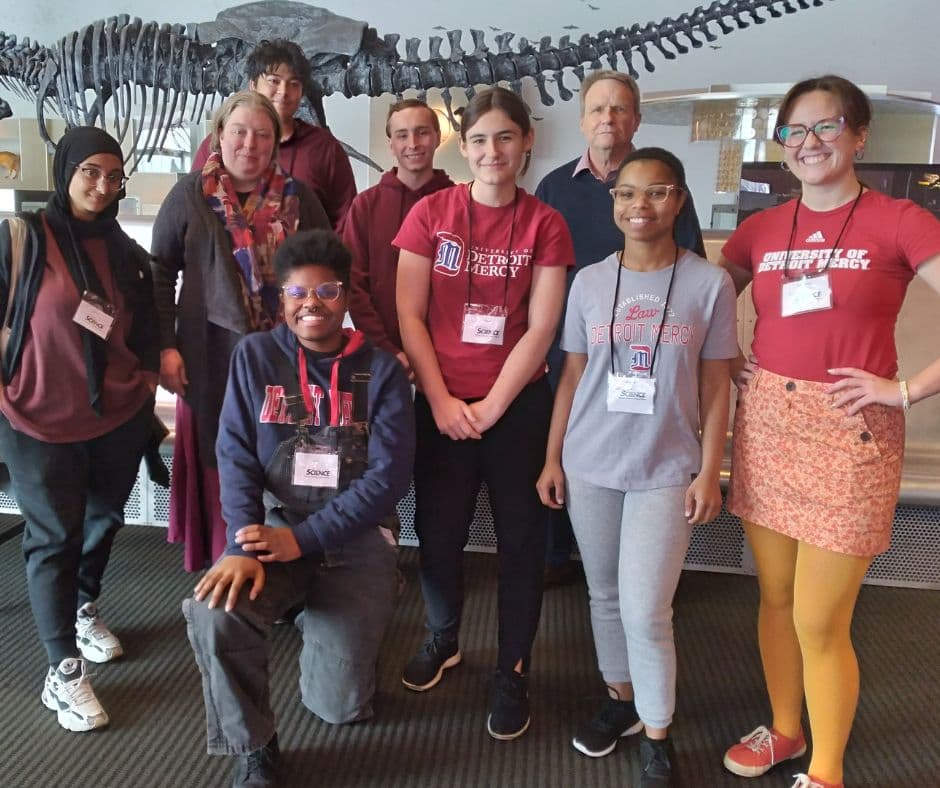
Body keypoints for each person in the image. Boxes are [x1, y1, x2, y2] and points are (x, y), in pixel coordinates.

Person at [717, 75, 940, 788]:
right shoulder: (759, 229)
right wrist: (728, 363)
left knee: (819, 619)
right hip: (770, 425)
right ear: (781, 145)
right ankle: (785, 730)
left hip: (852, 431)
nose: (810, 142)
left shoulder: (902, 219)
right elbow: (694, 303)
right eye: (795, 131)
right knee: (776, 596)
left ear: (860, 134)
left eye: (826, 126)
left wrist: (905, 391)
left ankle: (827, 769)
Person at [183, 229, 414, 787]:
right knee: (215, 611)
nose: (312, 304)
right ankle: (254, 747)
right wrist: (242, 541)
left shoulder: (381, 372)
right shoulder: (254, 355)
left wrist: (305, 542)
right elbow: (234, 452)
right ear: (280, 299)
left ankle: (339, 607)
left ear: (346, 298)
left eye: (327, 291)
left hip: (356, 538)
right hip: (277, 523)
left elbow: (388, 480)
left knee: (340, 709)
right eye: (297, 293)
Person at [536, 147, 737, 785]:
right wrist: (552, 457)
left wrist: (711, 470)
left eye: (655, 193)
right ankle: (620, 698)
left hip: (666, 466)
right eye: (626, 194)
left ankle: (657, 730)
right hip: (590, 460)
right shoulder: (590, 281)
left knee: (647, 608)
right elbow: (570, 374)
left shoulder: (709, 283)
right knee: (603, 594)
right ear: (613, 203)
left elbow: (715, 385)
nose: (639, 206)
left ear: (678, 201)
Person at [394, 86, 575, 740]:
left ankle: (513, 669)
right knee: (438, 534)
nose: (492, 151)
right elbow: (409, 314)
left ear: (526, 143)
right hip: (441, 404)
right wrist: (442, 400)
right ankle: (444, 637)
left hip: (518, 405)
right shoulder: (432, 215)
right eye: (478, 140)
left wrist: (494, 404)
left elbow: (541, 326)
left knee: (521, 543)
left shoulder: (545, 223)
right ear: (462, 146)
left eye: (505, 137)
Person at [0, 126, 160, 731]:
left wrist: (144, 382)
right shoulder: (21, 237)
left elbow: (144, 324)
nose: (101, 185)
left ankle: (84, 605)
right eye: (90, 171)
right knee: (53, 537)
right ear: (66, 171)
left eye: (113, 176)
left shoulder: (123, 249)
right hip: (35, 417)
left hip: (116, 416)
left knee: (103, 519)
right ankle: (61, 668)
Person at [535, 69, 706, 585]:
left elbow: (693, 268)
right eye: (597, 109)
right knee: (570, 450)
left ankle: (639, 570)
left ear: (636, 118)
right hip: (575, 349)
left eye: (619, 108)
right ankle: (561, 559)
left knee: (635, 450)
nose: (608, 117)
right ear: (583, 120)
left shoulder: (666, 187)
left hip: (646, 351)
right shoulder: (554, 187)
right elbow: (538, 270)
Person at [152, 90, 329, 572]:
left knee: (280, 448)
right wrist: (165, 347)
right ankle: (222, 556)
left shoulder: (301, 198)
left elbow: (326, 272)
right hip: (207, 352)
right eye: (240, 131)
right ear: (220, 134)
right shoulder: (190, 194)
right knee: (218, 451)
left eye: (262, 134)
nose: (250, 143)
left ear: (275, 142)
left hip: (284, 354)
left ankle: (280, 562)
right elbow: (160, 271)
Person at [340, 98, 453, 377]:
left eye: (422, 132)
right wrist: (387, 349)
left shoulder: (460, 203)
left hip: (448, 360)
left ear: (438, 138)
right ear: (391, 144)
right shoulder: (365, 206)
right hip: (382, 358)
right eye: (402, 135)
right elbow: (353, 283)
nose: (413, 143)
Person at [192, 39, 357, 230]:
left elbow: (346, 223)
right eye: (273, 81)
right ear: (253, 85)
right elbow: (193, 213)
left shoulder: (324, 148)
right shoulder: (218, 145)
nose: (283, 91)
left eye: (294, 83)